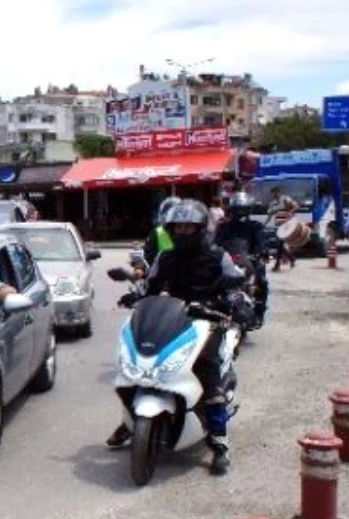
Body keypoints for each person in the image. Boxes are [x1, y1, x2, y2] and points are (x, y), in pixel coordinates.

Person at [109, 199, 244, 476]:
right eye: (178, 227)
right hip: (173, 318)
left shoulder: (218, 257)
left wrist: (233, 299)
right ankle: (130, 421)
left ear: (200, 229)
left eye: (188, 227)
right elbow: (151, 287)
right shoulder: (165, 257)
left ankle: (219, 441)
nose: (183, 232)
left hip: (208, 322)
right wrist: (136, 295)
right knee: (138, 366)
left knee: (210, 380)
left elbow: (237, 280)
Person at [215, 192, 269, 323]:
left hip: (249, 260)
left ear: (248, 209)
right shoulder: (224, 226)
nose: (240, 212)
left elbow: (260, 242)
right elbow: (217, 242)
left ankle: (259, 309)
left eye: (243, 209)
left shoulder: (255, 226)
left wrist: (261, 252)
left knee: (262, 280)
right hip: (228, 260)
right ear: (232, 210)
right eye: (238, 209)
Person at [142, 196, 183, 266]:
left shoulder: (192, 232)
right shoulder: (157, 232)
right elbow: (147, 257)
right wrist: (140, 267)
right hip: (162, 272)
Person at [266, 187, 299, 271]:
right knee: (280, 246)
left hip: (287, 225)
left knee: (279, 244)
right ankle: (291, 260)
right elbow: (270, 214)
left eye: (275, 192)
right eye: (273, 193)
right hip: (279, 225)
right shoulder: (272, 203)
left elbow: (296, 206)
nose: (274, 194)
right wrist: (265, 223)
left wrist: (289, 213)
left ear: (279, 192)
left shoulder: (285, 199)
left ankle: (277, 265)